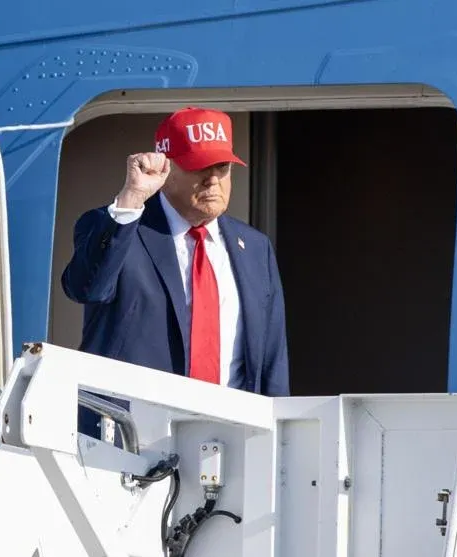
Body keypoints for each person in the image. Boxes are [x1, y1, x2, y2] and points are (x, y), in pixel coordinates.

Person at [60, 106, 289, 440]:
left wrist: (276, 439)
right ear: (166, 169)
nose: (213, 179)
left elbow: (271, 358)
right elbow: (85, 289)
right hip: (130, 439)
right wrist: (131, 199)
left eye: (222, 167)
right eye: (199, 167)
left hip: (229, 439)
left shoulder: (254, 247)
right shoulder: (120, 225)